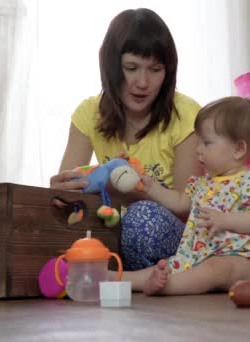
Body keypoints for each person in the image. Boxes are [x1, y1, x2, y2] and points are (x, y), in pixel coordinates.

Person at [49, 8, 202, 271]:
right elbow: (69, 194)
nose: (143, 82)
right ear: (111, 67)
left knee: (142, 220)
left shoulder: (187, 115)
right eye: (131, 68)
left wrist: (134, 192)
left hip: (172, 236)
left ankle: (127, 280)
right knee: (63, 226)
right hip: (112, 227)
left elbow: (186, 210)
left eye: (155, 70)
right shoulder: (88, 113)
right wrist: (58, 192)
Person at [120, 96, 250, 295]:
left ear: (238, 149)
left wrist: (226, 220)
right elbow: (179, 203)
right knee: (167, 267)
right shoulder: (202, 184)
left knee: (217, 268)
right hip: (198, 255)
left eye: (206, 143)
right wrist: (152, 189)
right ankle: (116, 278)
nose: (198, 150)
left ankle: (165, 287)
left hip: (246, 261)